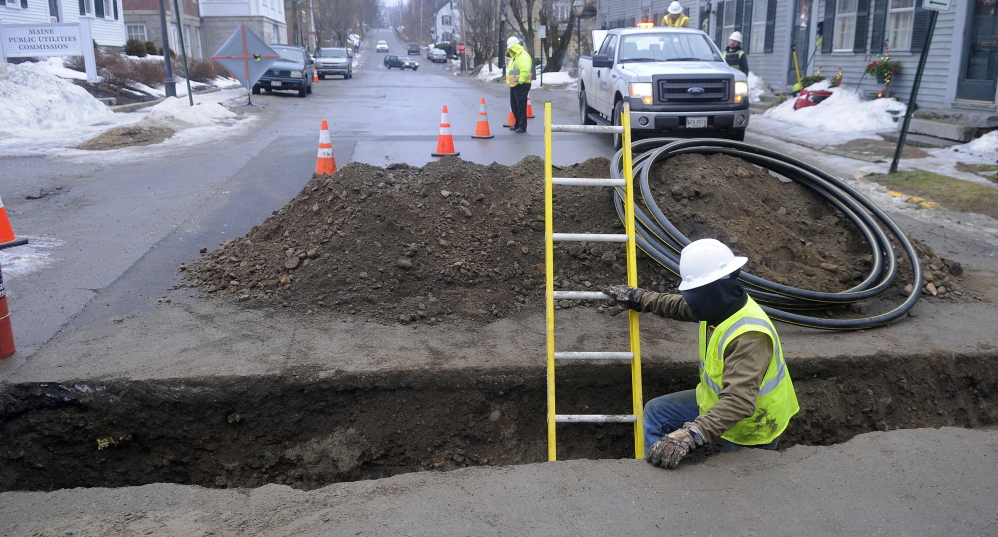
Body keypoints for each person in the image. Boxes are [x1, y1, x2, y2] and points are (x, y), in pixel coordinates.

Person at [602, 238, 799, 470]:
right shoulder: (722, 306)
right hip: (713, 402)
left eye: (694, 293)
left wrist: (691, 435)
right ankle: (654, 482)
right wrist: (641, 298)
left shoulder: (750, 335)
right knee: (657, 412)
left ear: (712, 291)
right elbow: (682, 307)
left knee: (736, 490)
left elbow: (739, 401)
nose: (690, 300)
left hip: (751, 425)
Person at [505, 36, 533, 134]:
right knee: (515, 106)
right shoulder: (515, 57)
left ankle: (522, 126)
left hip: (521, 85)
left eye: (511, 49)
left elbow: (525, 70)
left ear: (515, 47)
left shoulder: (523, 56)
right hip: (515, 85)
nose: (510, 51)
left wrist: (520, 81)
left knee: (521, 106)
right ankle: (517, 124)